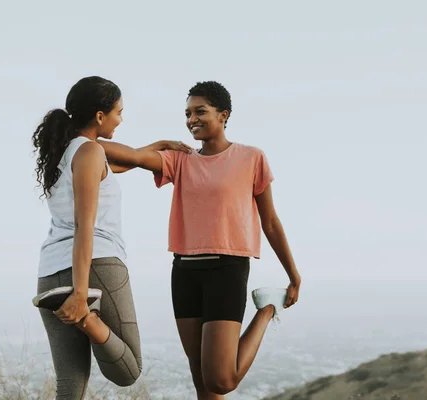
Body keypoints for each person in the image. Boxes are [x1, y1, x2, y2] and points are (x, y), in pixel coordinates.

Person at [99, 80, 302, 399]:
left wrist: (294, 275)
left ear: (223, 115)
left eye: (200, 111)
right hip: (184, 272)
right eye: (187, 113)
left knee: (221, 380)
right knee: (202, 381)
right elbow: (113, 158)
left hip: (227, 269)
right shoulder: (179, 159)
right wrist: (161, 143)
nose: (191, 119)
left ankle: (266, 311)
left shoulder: (251, 158)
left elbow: (271, 222)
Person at [31, 76, 191, 399]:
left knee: (70, 384)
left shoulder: (66, 152)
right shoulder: (89, 153)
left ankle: (83, 314)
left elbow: (128, 158)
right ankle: (86, 319)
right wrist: (79, 294)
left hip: (49, 274)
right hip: (96, 266)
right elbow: (84, 226)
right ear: (100, 116)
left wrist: (162, 145)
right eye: (118, 112)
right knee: (129, 368)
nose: (121, 118)